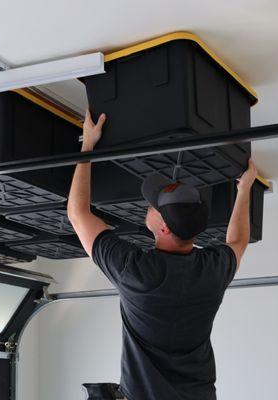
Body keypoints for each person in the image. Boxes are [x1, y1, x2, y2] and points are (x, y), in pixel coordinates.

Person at [67, 110, 257, 400]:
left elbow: (237, 240)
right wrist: (86, 147)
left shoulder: (209, 270)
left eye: (154, 206)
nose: (149, 207)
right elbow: (77, 215)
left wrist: (244, 189)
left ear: (164, 227)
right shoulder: (139, 272)